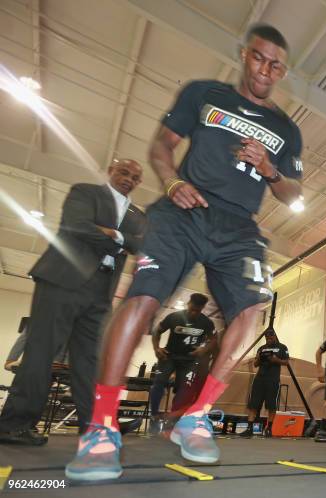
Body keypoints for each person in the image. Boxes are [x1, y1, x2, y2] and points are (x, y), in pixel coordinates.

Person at [65, 23, 303, 481]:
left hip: (239, 227)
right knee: (143, 299)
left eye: (276, 65)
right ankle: (102, 426)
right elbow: (162, 145)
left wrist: (271, 169)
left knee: (255, 309)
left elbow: (292, 196)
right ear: (244, 54)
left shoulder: (286, 130)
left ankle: (196, 416)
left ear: (283, 70)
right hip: (184, 208)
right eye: (258, 58)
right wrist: (172, 181)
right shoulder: (203, 93)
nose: (265, 70)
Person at [0, 160, 145, 446]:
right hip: (62, 279)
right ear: (111, 171)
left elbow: (142, 244)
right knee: (42, 351)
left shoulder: (138, 214)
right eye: (124, 172)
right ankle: (13, 424)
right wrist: (123, 241)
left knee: (91, 361)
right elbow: (76, 226)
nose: (129, 179)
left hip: (102, 291)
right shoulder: (85, 192)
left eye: (135, 177)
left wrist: (111, 234)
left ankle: (97, 425)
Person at [149, 293, 216, 430]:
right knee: (159, 382)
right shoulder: (174, 317)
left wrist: (203, 350)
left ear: (202, 308)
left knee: (184, 390)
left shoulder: (206, 323)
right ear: (188, 304)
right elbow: (157, 331)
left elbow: (214, 339)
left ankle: (173, 419)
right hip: (169, 356)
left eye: (197, 311)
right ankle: (154, 416)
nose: (193, 312)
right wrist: (157, 348)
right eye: (192, 309)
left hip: (190, 360)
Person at [240, 329, 289, 438]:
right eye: (267, 338)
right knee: (253, 404)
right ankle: (249, 428)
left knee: (271, 405)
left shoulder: (282, 347)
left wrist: (275, 360)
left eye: (270, 337)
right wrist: (259, 359)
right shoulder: (262, 348)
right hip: (260, 379)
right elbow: (255, 364)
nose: (268, 339)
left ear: (275, 336)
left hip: (273, 380)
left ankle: (269, 429)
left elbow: (286, 362)